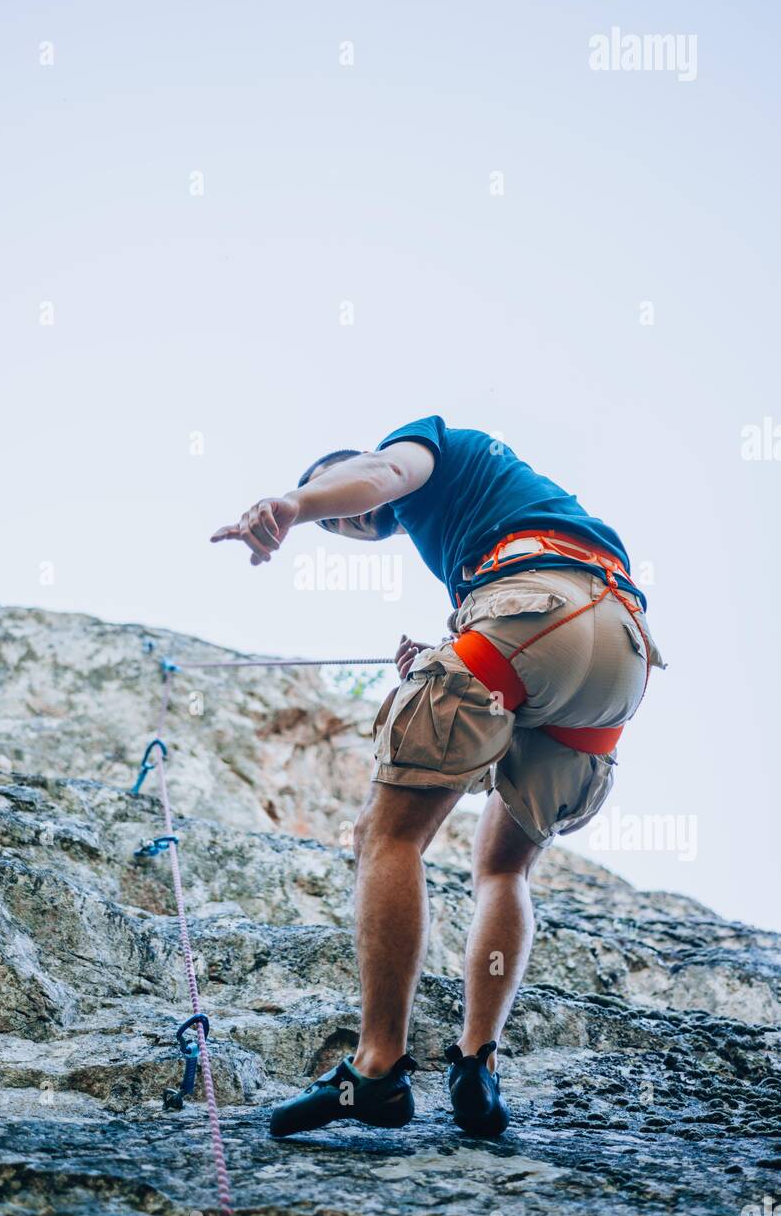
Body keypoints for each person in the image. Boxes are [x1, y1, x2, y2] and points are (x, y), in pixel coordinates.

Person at [211, 415, 664, 1139]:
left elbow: (383, 477)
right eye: (343, 529)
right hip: (619, 653)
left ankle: (378, 1069)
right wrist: (450, 650)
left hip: (536, 609)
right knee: (503, 865)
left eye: (342, 507)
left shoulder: (427, 446)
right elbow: (535, 641)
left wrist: (295, 506)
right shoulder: (493, 505)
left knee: (387, 836)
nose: (353, 521)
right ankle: (476, 1062)